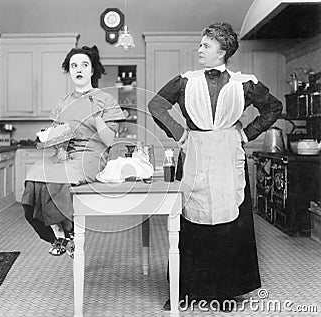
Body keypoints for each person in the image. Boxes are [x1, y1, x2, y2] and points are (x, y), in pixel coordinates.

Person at [148, 22, 282, 310]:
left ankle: (225, 293)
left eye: (206, 46)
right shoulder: (185, 80)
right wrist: (179, 133)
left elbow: (273, 107)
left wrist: (246, 134)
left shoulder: (244, 82)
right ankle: (184, 292)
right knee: (190, 221)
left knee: (229, 223)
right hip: (194, 151)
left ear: (223, 51)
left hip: (227, 154)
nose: (199, 49)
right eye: (200, 44)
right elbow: (156, 105)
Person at [22, 45, 125, 257]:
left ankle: (68, 231)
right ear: (69, 71)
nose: (79, 69)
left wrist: (97, 116)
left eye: (84, 65)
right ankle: (58, 233)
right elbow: (58, 133)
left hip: (91, 154)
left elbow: (109, 140)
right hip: (65, 153)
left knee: (58, 176)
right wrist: (51, 139)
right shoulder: (64, 102)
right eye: (74, 65)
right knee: (34, 174)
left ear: (92, 70)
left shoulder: (106, 99)